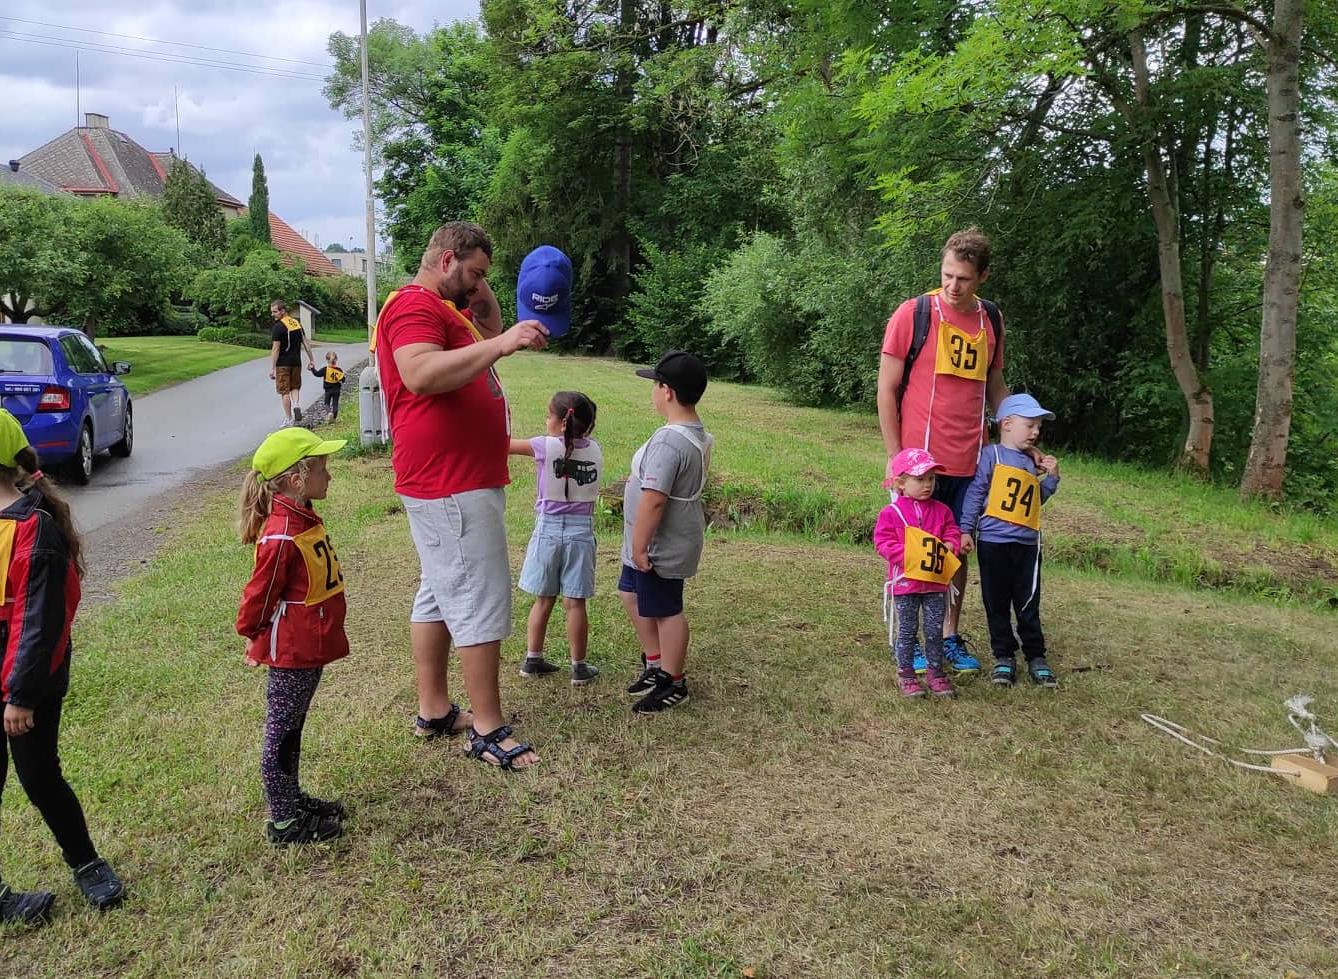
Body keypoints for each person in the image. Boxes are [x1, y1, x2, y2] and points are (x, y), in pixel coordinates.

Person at [375, 222, 553, 770]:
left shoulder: (447, 308)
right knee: (477, 594)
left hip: (457, 476)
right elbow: (421, 374)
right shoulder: (415, 306)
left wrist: (483, 295)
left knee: (438, 591)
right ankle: (487, 727)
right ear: (446, 259)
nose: (479, 285)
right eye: (474, 272)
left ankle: (433, 709)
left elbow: (491, 329)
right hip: (448, 479)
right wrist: (500, 342)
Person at [0, 409, 125, 926]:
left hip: (24, 690)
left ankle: (86, 862)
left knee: (39, 776)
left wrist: (21, 695)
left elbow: (40, 623)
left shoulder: (34, 530)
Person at [876, 228, 1010, 675]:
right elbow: (887, 389)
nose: (954, 286)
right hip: (918, 464)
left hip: (969, 461)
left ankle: (947, 635)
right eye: (947, 275)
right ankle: (908, 640)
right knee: (914, 550)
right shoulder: (914, 314)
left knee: (956, 550)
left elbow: (994, 386)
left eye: (964, 279)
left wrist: (1014, 438)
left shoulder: (991, 319)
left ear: (983, 277)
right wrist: (897, 461)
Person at [235, 427, 350, 844]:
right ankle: (283, 822)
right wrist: (252, 633)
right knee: (282, 732)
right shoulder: (282, 533)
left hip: (310, 646)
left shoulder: (301, 518)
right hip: (293, 650)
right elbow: (260, 594)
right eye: (322, 469)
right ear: (296, 479)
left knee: (294, 726)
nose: (329, 477)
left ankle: (292, 797)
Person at [621, 351, 713, 714]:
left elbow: (655, 501)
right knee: (630, 594)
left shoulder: (669, 442)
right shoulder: (690, 432)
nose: (653, 393)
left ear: (668, 391)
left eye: (655, 385)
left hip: (659, 543)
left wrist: (641, 546)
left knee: (666, 609)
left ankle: (673, 682)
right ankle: (655, 661)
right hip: (645, 541)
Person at [958, 393, 1061, 688]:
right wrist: (967, 529)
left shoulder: (1033, 463)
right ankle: (1004, 656)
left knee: (1028, 602)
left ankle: (1036, 656)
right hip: (993, 542)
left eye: (1039, 427)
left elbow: (1033, 501)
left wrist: (1051, 479)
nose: (1036, 432)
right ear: (1007, 424)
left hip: (1027, 545)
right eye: (1030, 425)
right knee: (996, 602)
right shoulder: (992, 456)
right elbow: (976, 494)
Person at [508, 392, 602, 686]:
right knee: (576, 603)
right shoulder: (595, 449)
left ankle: (533, 658)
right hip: (581, 532)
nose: (545, 420)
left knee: (543, 600)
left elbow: (502, 445)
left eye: (548, 415)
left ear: (562, 423)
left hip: (547, 529)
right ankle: (579, 667)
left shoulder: (541, 446)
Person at [874, 449, 963, 699]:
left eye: (931, 479)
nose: (928, 485)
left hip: (935, 584)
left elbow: (951, 533)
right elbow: (882, 542)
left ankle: (936, 674)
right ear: (901, 483)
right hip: (906, 584)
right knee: (907, 630)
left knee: (934, 629)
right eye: (920, 479)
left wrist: (950, 546)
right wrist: (907, 556)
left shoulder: (943, 511)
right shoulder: (891, 514)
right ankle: (907, 675)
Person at [270, 300, 316, 425]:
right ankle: (296, 404)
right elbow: (305, 343)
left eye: (275, 311)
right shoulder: (296, 323)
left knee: (284, 391)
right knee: (294, 387)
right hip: (297, 362)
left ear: (283, 311)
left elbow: (276, 348)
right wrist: (311, 359)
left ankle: (289, 418)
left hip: (283, 364)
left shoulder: (278, 327)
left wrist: (272, 368)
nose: (273, 314)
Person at [310, 351, 347, 422]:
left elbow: (317, 374)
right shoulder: (339, 370)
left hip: (328, 390)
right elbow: (343, 379)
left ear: (327, 360)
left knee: (327, 403)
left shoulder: (325, 369)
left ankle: (329, 413)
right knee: (335, 403)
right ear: (336, 360)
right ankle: (334, 418)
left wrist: (312, 368)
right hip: (336, 390)